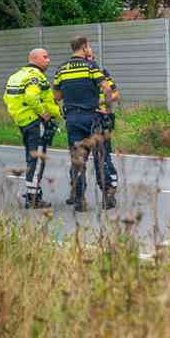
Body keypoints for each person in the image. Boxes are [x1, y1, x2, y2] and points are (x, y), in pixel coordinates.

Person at [54, 36, 115, 212]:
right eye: (89, 46)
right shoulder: (91, 67)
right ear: (84, 47)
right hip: (92, 118)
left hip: (72, 120)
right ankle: (106, 198)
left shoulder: (62, 69)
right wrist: (107, 109)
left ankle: (80, 200)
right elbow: (107, 88)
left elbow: (57, 96)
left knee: (78, 160)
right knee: (100, 157)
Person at [3, 48, 62, 209]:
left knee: (31, 158)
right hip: (35, 122)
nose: (48, 60)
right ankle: (33, 197)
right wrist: (44, 114)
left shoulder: (16, 76)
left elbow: (6, 97)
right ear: (34, 58)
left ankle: (32, 192)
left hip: (23, 121)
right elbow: (31, 97)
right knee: (37, 160)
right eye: (45, 57)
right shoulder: (35, 76)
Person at [64, 51, 120, 206]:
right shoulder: (73, 73)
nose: (88, 60)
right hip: (82, 117)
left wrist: (98, 102)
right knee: (78, 158)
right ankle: (76, 193)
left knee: (103, 158)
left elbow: (115, 93)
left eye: (90, 58)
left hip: (100, 119)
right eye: (86, 57)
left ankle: (109, 192)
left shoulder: (101, 73)